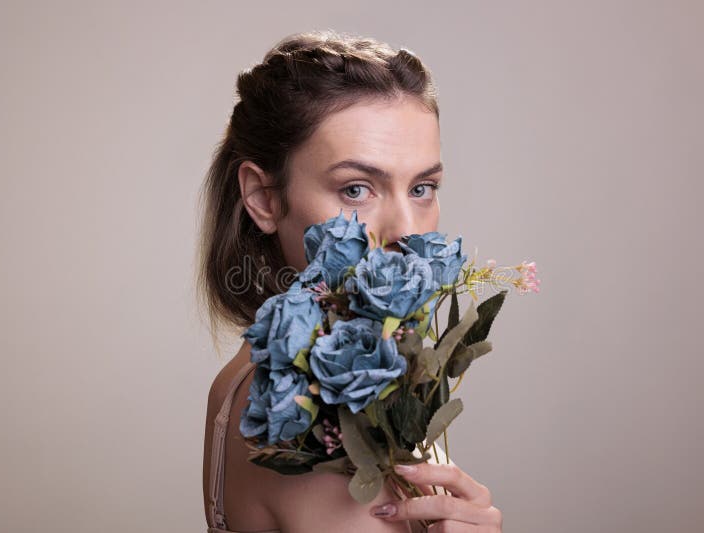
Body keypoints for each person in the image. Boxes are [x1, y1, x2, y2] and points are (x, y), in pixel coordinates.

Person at [196, 29, 503, 533]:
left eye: (422, 187)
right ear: (264, 198)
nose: (405, 230)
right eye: (357, 189)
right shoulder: (307, 413)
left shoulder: (249, 378)